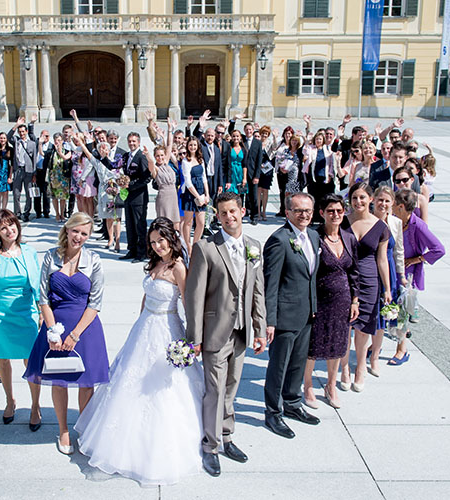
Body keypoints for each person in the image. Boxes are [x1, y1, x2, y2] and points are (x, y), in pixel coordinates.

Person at [75, 217, 203, 485]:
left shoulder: (179, 266)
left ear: (171, 238)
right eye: (153, 242)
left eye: (161, 240)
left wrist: (192, 340)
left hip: (167, 328)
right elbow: (147, 294)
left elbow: (189, 304)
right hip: (144, 326)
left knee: (163, 388)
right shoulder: (156, 262)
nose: (157, 246)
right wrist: (141, 316)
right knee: (127, 381)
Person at [185, 191, 267, 477]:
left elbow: (257, 291)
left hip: (242, 331)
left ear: (242, 211)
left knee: (232, 387)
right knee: (215, 391)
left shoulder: (254, 246)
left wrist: (260, 328)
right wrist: (194, 338)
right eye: (223, 213)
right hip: (215, 332)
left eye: (233, 211)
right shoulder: (206, 248)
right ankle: (210, 446)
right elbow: (194, 297)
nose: (229, 217)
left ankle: (227, 436)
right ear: (216, 217)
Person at [23, 213, 110, 455]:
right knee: (59, 380)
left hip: (85, 329)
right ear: (67, 230)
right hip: (55, 329)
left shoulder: (94, 260)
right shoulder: (51, 257)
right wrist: (53, 331)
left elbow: (95, 303)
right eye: (76, 231)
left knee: (86, 383)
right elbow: (43, 298)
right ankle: (63, 430)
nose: (79, 237)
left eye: (85, 234)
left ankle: (85, 429)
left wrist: (75, 335)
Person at [0, 209, 43, 430]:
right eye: (3, 227)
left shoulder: (29, 252)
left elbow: (39, 285)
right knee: (3, 360)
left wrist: (42, 312)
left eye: (12, 224)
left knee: (30, 360)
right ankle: (9, 400)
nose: (9, 230)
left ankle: (35, 405)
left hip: (26, 312)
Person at [262, 192, 322, 439]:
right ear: (287, 213)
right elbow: (271, 284)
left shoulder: (314, 236)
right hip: (285, 316)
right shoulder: (279, 240)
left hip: (307, 313)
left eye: (308, 210)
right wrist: (270, 320)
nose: (304, 215)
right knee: (279, 366)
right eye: (298, 211)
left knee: (298, 364)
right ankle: (273, 413)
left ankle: (293, 403)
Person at [302, 194, 359, 409]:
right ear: (322, 213)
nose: (335, 214)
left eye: (339, 210)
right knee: (313, 344)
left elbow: (354, 271)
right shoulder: (314, 237)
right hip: (319, 299)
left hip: (343, 301)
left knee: (338, 344)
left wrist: (355, 300)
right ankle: (307, 384)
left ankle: (331, 384)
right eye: (331, 211)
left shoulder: (348, 237)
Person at [342, 182, 392, 392]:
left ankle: (361, 366)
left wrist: (387, 288)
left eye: (362, 197)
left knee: (363, 327)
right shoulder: (342, 221)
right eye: (354, 198)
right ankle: (344, 367)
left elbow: (382, 259)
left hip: (369, 280)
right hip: (344, 277)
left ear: (371, 199)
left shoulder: (380, 226)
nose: (358, 202)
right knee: (344, 326)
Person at [391, 188, 445, 365]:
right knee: (389, 307)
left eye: (393, 205)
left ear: (400, 206)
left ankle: (402, 349)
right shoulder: (393, 221)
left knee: (403, 311)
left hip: (408, 273)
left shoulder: (417, 225)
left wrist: (417, 259)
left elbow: (439, 249)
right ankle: (375, 345)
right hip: (392, 269)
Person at [371, 186, 406, 375]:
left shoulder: (395, 223)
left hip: (389, 270)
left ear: (392, 202)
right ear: (373, 200)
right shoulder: (366, 220)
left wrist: (401, 275)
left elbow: (399, 250)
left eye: (387, 201)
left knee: (384, 314)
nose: (383, 204)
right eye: (380, 200)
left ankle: (375, 353)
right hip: (370, 269)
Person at [75, 134, 124, 253]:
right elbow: (87, 153)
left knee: (117, 217)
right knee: (108, 217)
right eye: (100, 148)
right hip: (104, 190)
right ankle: (110, 238)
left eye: (105, 148)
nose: (103, 150)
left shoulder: (116, 160)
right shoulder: (97, 162)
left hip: (115, 189)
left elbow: (121, 172)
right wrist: (81, 143)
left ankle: (117, 241)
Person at [121, 132, 151, 262]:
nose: (132, 143)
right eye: (130, 141)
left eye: (134, 141)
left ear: (139, 142)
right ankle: (131, 249)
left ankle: (141, 252)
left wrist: (131, 185)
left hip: (139, 196)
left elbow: (147, 177)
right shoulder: (126, 156)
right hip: (128, 196)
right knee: (130, 224)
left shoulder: (141, 157)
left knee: (139, 225)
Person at [180, 136, 209, 256]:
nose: (192, 147)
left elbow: (204, 178)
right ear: (187, 146)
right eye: (190, 145)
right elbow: (188, 182)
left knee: (201, 221)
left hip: (201, 191)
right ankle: (188, 246)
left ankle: (196, 244)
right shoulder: (185, 161)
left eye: (194, 145)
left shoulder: (200, 159)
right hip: (191, 193)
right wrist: (198, 197)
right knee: (188, 222)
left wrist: (206, 195)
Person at [9, 118, 39, 222]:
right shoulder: (16, 141)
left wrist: (34, 173)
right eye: (20, 132)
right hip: (18, 170)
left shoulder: (32, 143)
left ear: (26, 132)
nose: (21, 134)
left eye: (23, 131)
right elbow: (8, 137)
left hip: (29, 171)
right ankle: (17, 213)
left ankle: (27, 212)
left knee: (28, 193)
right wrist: (16, 125)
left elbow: (34, 158)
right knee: (16, 193)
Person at [47, 133, 72, 222]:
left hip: (63, 177)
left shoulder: (66, 151)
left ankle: (62, 213)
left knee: (63, 197)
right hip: (54, 177)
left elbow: (67, 160)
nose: (58, 142)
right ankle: (57, 213)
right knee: (54, 197)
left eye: (59, 140)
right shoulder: (51, 151)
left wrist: (60, 151)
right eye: (56, 140)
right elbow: (45, 159)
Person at [226, 130, 247, 200]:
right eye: (234, 136)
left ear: (240, 137)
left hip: (240, 173)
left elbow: (245, 165)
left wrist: (244, 178)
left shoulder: (244, 149)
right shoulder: (229, 147)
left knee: (240, 195)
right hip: (231, 172)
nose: (235, 138)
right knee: (230, 194)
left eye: (237, 136)